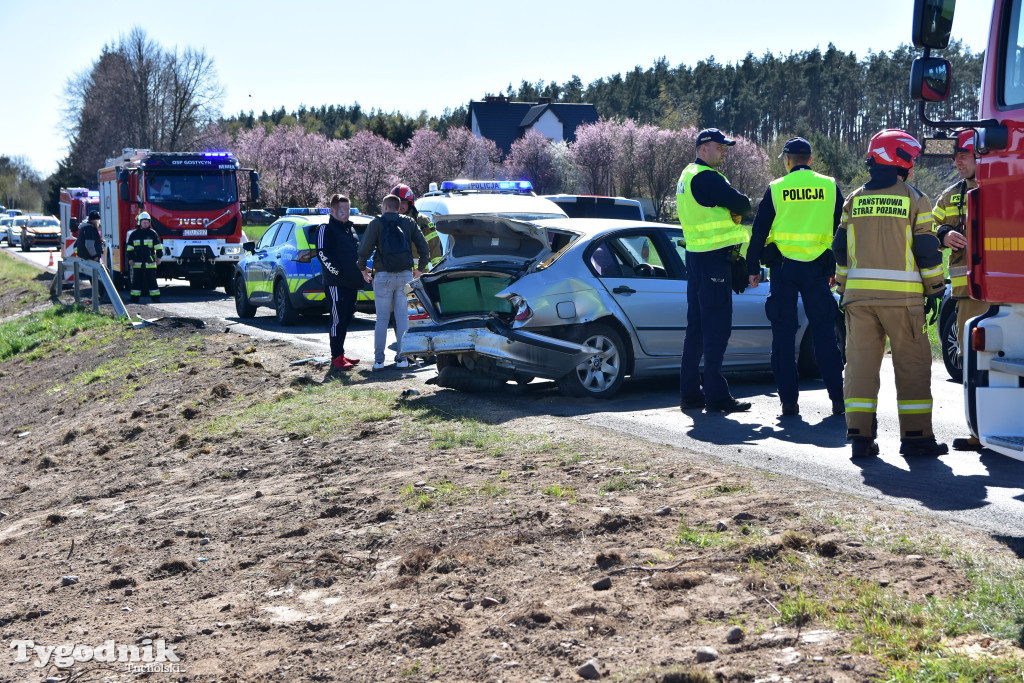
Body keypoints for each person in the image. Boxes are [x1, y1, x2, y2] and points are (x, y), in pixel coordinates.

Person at [832, 129, 947, 458]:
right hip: (904, 302)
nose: (912, 165)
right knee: (912, 365)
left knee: (860, 367)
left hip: (859, 301)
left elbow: (840, 249)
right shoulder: (914, 198)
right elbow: (926, 250)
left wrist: (843, 287)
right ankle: (916, 438)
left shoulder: (853, 199)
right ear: (901, 159)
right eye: (910, 159)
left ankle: (860, 439)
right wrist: (935, 290)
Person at [746, 137, 845, 417]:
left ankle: (788, 403)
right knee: (825, 336)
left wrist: (752, 267)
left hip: (783, 269)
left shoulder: (777, 188)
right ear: (810, 160)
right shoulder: (829, 185)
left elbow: (759, 230)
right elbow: (843, 228)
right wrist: (837, 267)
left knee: (783, 337)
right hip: (818, 269)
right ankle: (838, 400)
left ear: (788, 160)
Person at [677, 128, 753, 413]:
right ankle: (717, 397)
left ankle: (690, 394)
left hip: (695, 258)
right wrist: (735, 210)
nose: (724, 151)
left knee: (696, 328)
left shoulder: (686, 176)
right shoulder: (707, 177)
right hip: (712, 261)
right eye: (720, 147)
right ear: (704, 147)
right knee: (716, 328)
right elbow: (742, 203)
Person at [933, 129, 987, 451]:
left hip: (1003, 289)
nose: (957, 162)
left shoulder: (1002, 187)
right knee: (971, 363)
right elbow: (929, 227)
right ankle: (977, 433)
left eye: (963, 156)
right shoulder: (951, 195)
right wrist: (943, 234)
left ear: (979, 154)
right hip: (967, 291)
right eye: (955, 158)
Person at [357, 194, 430, 371]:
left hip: (383, 276)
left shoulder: (376, 223)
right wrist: (419, 269)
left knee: (381, 319)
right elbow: (424, 247)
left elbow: (364, 249)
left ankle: (379, 361)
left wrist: (363, 268)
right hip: (405, 275)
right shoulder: (408, 222)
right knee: (403, 318)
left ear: (384, 207)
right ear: (398, 207)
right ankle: (403, 358)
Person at [315, 194, 364, 374]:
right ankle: (336, 357)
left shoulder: (349, 230)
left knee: (347, 317)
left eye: (348, 210)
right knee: (337, 319)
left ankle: (341, 354)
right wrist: (337, 272)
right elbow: (322, 254)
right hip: (335, 283)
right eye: (342, 210)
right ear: (333, 210)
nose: (345, 214)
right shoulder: (325, 229)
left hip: (352, 283)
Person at [391, 184, 443, 269]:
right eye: (396, 203)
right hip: (393, 275)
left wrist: (437, 270)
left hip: (417, 275)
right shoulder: (387, 221)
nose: (399, 206)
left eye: (403, 202)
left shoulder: (422, 221)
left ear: (410, 203)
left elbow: (434, 246)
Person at [125, 211, 163, 303]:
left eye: (147, 222)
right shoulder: (134, 235)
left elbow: (158, 247)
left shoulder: (153, 233)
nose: (146, 224)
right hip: (137, 262)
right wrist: (130, 259)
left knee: (152, 282)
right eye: (144, 222)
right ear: (139, 222)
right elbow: (129, 249)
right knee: (136, 282)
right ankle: (134, 299)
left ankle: (156, 298)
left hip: (150, 262)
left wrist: (159, 257)